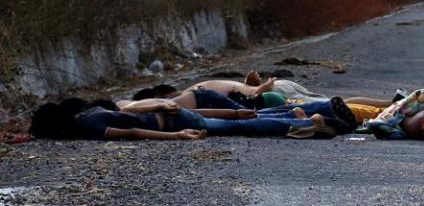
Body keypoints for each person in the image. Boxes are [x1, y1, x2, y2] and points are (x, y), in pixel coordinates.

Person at [29, 97, 341, 141]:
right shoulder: (90, 112)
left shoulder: (89, 126)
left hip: (176, 123)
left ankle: (303, 124)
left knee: (241, 127)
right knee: (240, 120)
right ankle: (297, 117)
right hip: (172, 114)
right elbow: (135, 112)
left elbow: (135, 132)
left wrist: (176, 137)